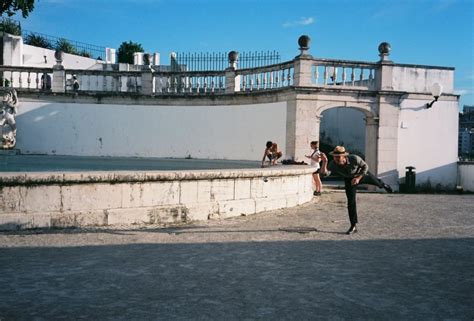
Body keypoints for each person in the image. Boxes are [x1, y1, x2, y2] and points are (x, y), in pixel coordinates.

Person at [320, 146, 392, 235]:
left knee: (375, 181)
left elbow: (365, 166)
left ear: (344, 156)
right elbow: (324, 174)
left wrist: (358, 177)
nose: (336, 159)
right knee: (351, 202)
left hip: (361, 174)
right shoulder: (333, 164)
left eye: (338, 157)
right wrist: (324, 162)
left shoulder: (354, 158)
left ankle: (383, 185)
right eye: (335, 156)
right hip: (349, 179)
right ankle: (353, 226)